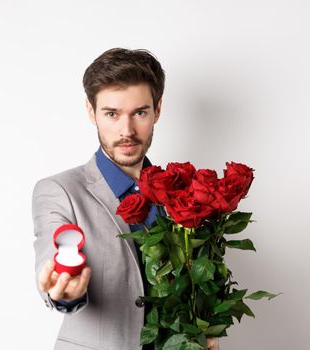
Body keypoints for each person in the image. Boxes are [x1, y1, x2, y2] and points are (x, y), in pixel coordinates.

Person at [32, 48, 219, 350]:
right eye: (112, 114)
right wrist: (63, 290)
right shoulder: (59, 191)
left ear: (158, 110)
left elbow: (199, 283)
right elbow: (52, 257)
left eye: (140, 113)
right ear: (91, 112)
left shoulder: (184, 193)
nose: (127, 130)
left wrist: (207, 332)